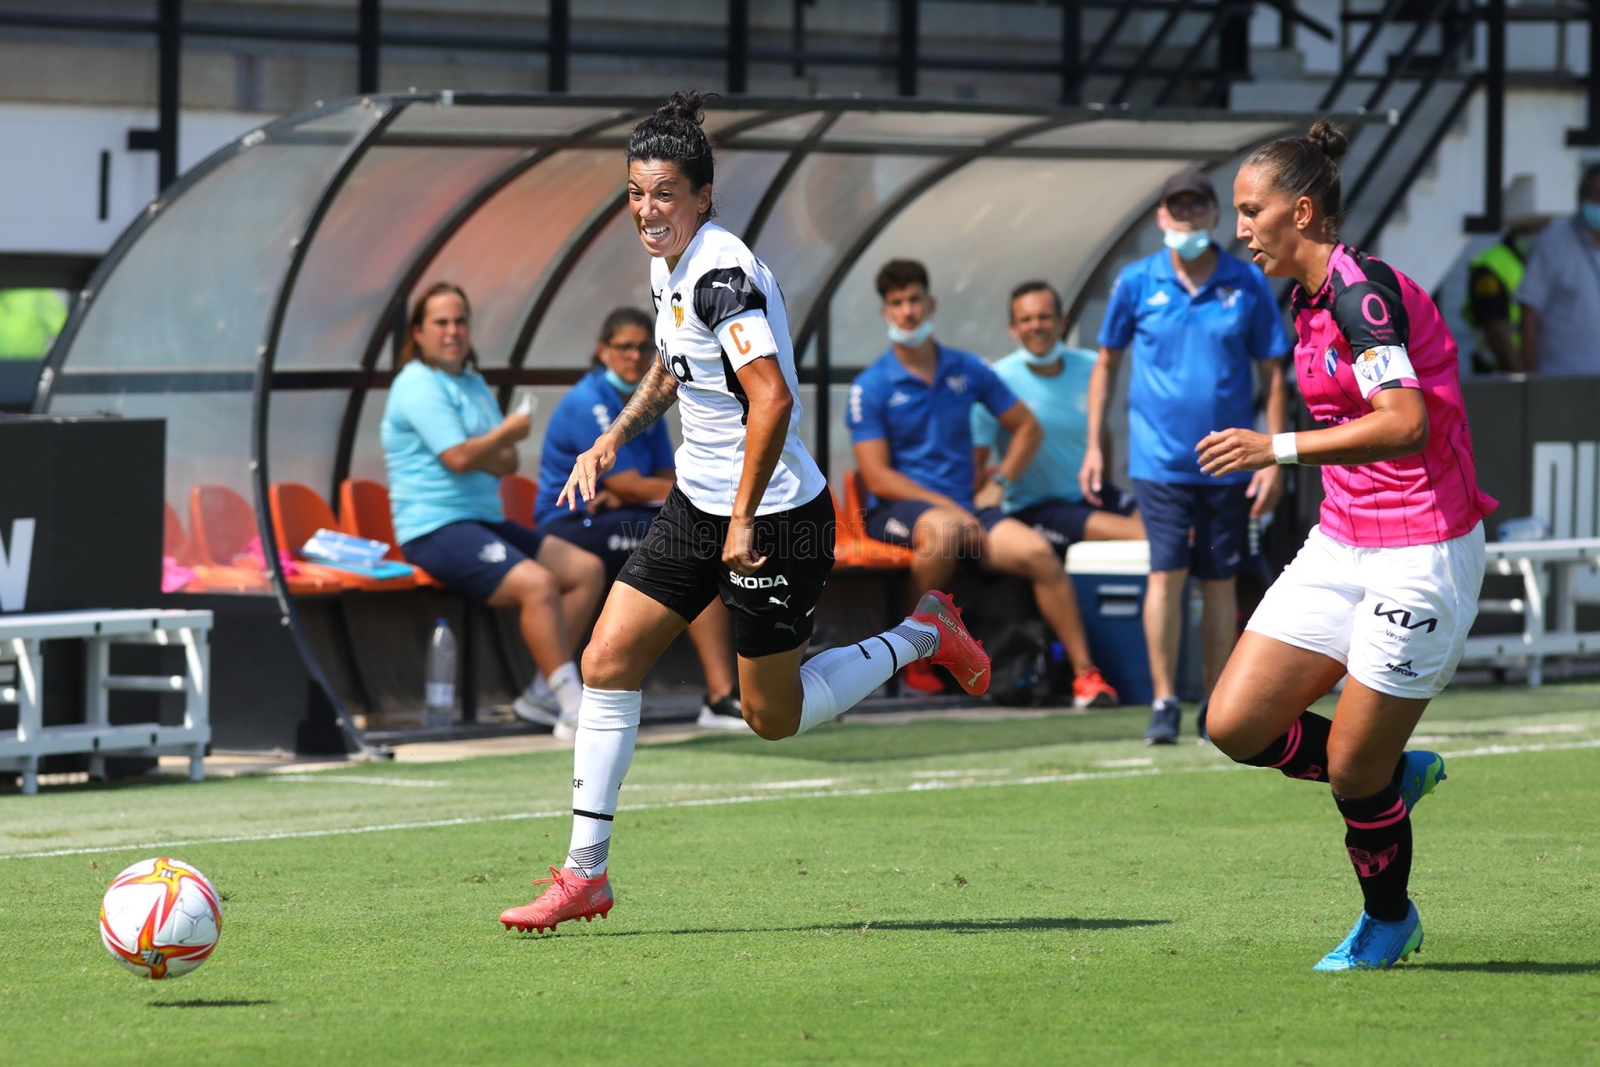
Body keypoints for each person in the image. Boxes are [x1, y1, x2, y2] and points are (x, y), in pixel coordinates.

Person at [498, 91, 992, 934]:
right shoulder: (670, 266)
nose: (648, 210)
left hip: (778, 521)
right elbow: (672, 359)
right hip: (701, 502)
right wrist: (614, 436)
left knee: (773, 716)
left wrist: (741, 521)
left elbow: (771, 402)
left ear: (701, 197)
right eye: (636, 192)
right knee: (608, 658)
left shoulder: (723, 275)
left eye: (664, 194)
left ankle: (925, 631)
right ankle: (585, 875)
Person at [1202, 120, 1496, 970]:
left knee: (1351, 775)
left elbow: (1403, 424)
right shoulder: (1300, 297)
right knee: (1232, 722)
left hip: (1423, 548)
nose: (1240, 229)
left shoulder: (1363, 294)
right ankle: (1389, 776)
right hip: (1342, 540)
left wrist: (1276, 447)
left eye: (1251, 211)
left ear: (1301, 211)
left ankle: (1389, 917)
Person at [848, 259, 1119, 708]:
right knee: (943, 530)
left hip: (968, 511)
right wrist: (949, 507)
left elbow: (1027, 427)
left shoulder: (968, 368)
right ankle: (914, 655)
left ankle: (1085, 678)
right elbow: (877, 476)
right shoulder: (871, 385)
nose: (908, 311)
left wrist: (1001, 482)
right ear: (885, 314)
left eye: (914, 300)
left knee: (1038, 553)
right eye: (897, 304)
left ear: (930, 303)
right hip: (896, 511)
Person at [1083, 169, 1292, 745]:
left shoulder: (1245, 283)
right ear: (1160, 217)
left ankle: (1214, 704)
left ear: (1214, 216)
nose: (1187, 219)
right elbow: (1105, 363)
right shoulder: (1136, 281)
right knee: (1165, 573)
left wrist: (1273, 453)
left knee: (1219, 581)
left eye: (1197, 208)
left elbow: (1274, 373)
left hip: (1229, 457)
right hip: (1158, 461)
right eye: (1177, 209)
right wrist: (1094, 446)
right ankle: (1164, 701)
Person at [382, 282, 606, 739]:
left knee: (585, 569)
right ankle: (572, 707)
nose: (453, 331)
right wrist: (501, 435)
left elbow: (506, 460)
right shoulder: (416, 384)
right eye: (441, 322)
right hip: (435, 527)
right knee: (539, 585)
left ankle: (542, 694)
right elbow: (460, 458)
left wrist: (491, 442)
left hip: (483, 521)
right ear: (418, 333)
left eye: (460, 321)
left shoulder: (472, 382)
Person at [536, 306, 744, 731]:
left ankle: (723, 694)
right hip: (572, 526)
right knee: (696, 548)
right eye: (623, 347)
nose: (633, 357)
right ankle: (721, 696)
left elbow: (667, 477)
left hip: (620, 517)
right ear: (602, 351)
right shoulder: (589, 400)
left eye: (642, 348)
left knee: (698, 543)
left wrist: (637, 491)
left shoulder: (643, 402)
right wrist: (635, 491)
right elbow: (634, 484)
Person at [971, 281, 1145, 555]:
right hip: (1037, 507)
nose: (1036, 326)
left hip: (1090, 495)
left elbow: (1101, 431)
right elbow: (975, 458)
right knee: (1145, 537)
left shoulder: (1090, 367)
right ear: (1012, 328)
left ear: (1062, 321)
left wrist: (1102, 483)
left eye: (1044, 316)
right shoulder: (997, 380)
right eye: (1025, 319)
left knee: (1173, 531)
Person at [1516, 163, 1600, 375]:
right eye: (1592, 194)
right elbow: (1529, 311)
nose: (1596, 201)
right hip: (1560, 378)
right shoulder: (1552, 242)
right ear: (1579, 197)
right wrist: (1532, 374)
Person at [1461, 217, 1547, 374]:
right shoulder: (1492, 266)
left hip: (1543, 371)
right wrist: (1524, 378)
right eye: (1534, 229)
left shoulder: (1540, 260)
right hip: (1499, 373)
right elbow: (1495, 330)